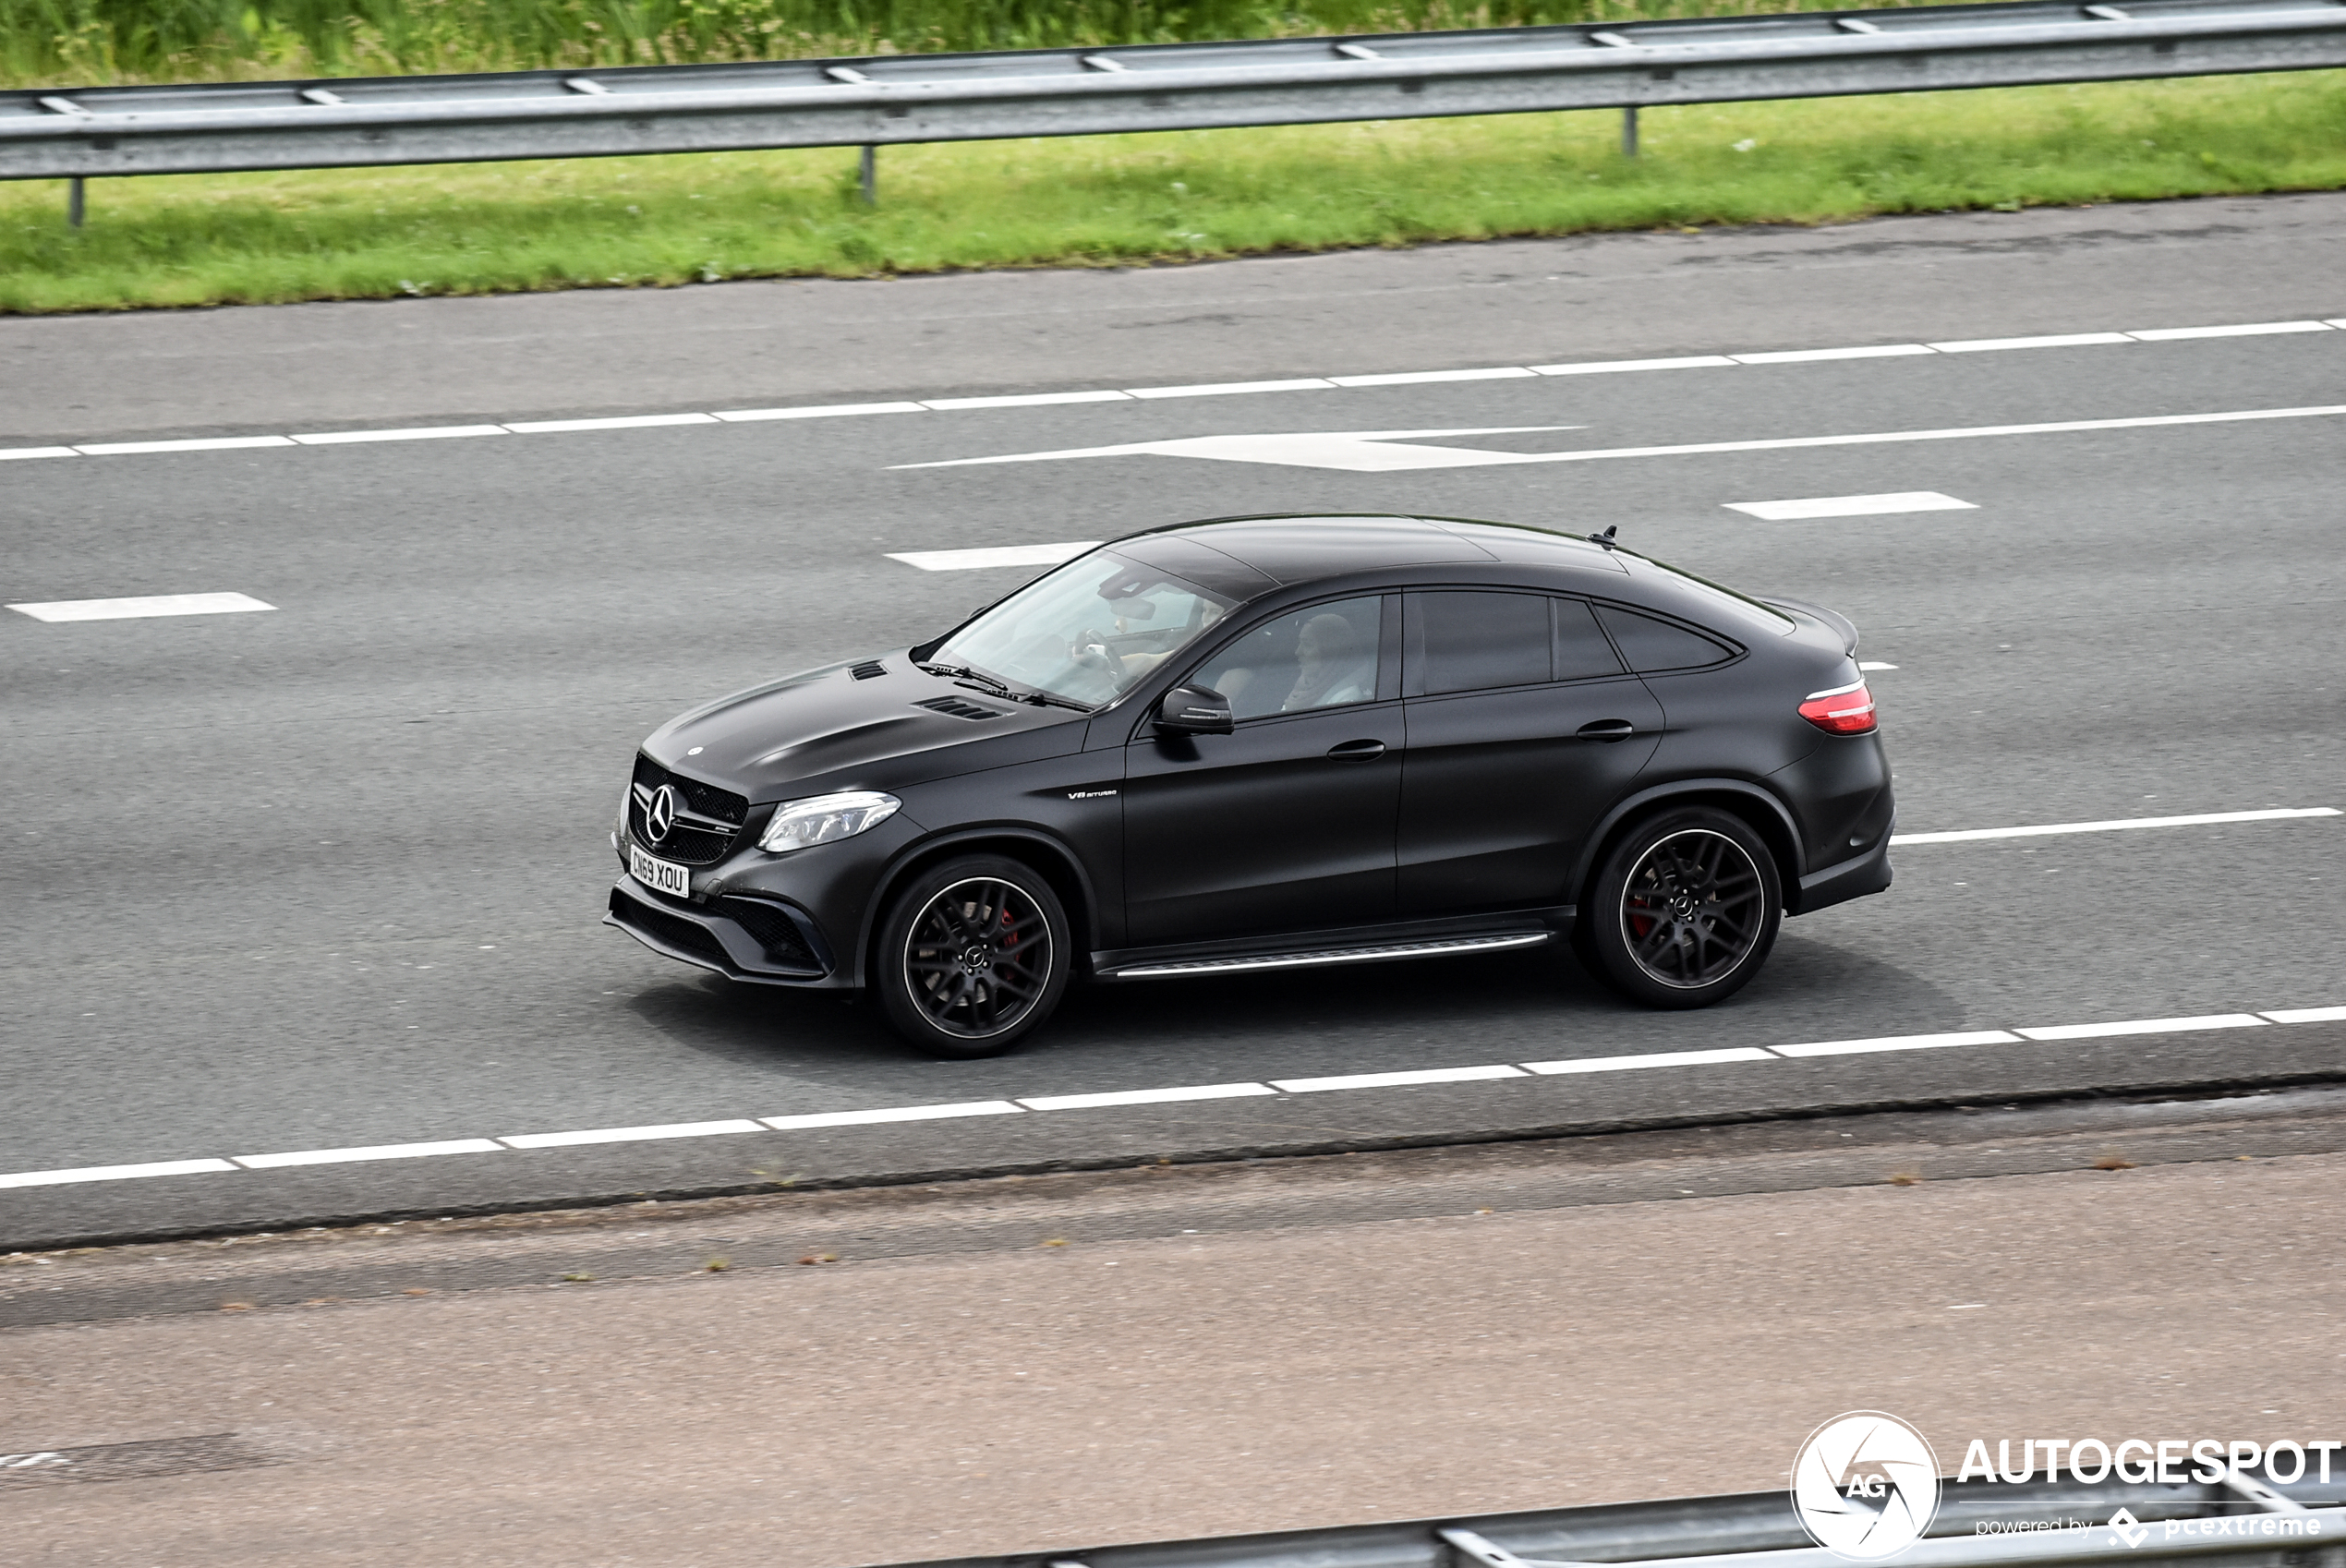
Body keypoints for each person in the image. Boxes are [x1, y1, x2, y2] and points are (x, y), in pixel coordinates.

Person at [1282, 612, 1373, 711]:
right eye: (1300, 643)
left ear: (1331, 652)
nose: (1297, 652)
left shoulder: (1347, 699)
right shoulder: (1302, 689)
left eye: (1307, 644)